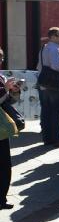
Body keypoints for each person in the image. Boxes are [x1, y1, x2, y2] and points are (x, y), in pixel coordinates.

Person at [37, 27, 59, 146]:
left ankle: (47, 138)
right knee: (56, 112)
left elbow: (39, 66)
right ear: (53, 37)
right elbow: (57, 67)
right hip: (55, 85)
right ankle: (57, 139)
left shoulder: (44, 48)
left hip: (44, 84)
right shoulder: (54, 49)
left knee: (46, 112)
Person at [0, 48, 21, 210]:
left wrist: (14, 91)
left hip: (2, 127)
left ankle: (2, 198)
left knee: (4, 164)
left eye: (1, 59)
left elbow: (9, 102)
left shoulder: (1, 77)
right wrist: (6, 90)